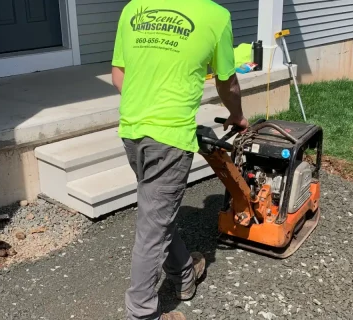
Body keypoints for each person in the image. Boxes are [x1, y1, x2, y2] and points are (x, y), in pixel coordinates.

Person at [110, 0, 248, 319]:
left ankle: (185, 275)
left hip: (132, 130)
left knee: (158, 215)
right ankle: (142, 315)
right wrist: (237, 116)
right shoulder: (215, 16)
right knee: (152, 227)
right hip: (169, 138)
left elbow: (119, 73)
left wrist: (146, 108)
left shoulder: (134, 8)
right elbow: (227, 81)